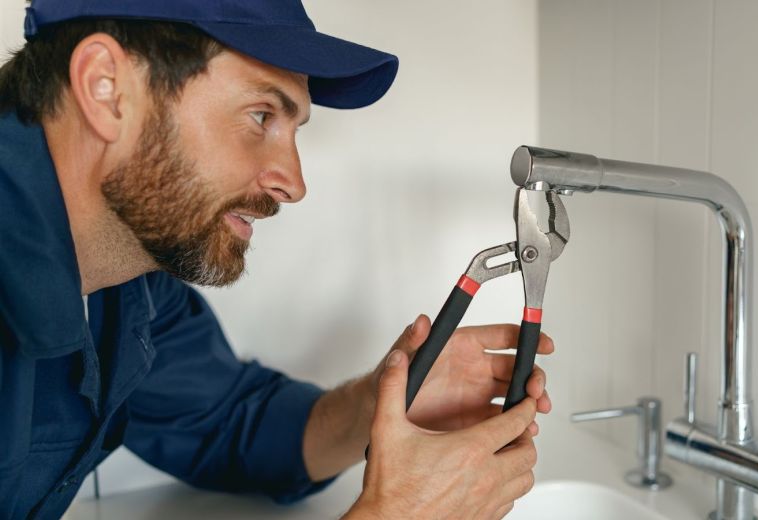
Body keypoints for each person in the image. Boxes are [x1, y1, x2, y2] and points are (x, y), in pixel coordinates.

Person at [0, 1, 554, 519]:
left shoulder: (128, 280)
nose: (293, 183)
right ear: (106, 88)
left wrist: (386, 400)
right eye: (262, 115)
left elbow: (229, 424)